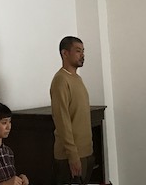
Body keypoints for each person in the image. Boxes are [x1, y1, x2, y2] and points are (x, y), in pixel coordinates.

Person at [50, 36, 94, 185]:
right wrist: (73, 155)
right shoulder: (61, 80)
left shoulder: (77, 79)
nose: (82, 55)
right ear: (65, 53)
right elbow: (62, 120)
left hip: (86, 152)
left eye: (83, 51)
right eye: (78, 51)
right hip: (70, 156)